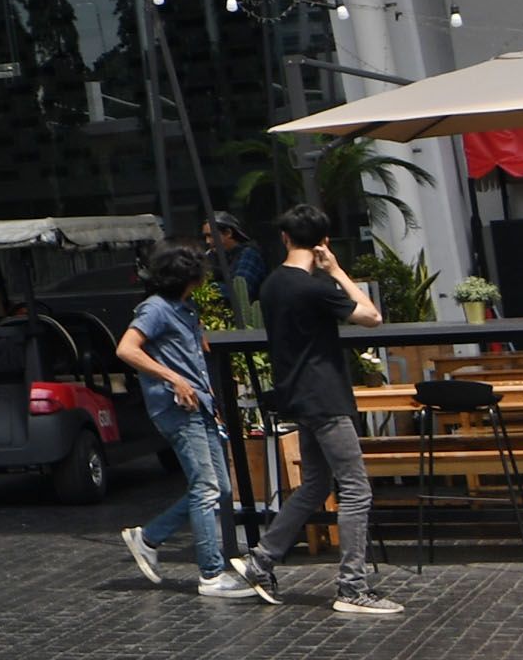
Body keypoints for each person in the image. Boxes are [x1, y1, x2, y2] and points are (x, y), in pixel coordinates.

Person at [236, 205, 399, 616]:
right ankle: (352, 587)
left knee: (314, 485)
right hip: (326, 397)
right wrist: (338, 272)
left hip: (296, 395)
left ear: (285, 238)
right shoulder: (315, 287)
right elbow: (372, 317)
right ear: (322, 243)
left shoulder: (273, 285)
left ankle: (261, 558)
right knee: (356, 489)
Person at [116, 248, 244, 595]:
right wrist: (172, 377)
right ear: (192, 279)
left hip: (198, 405)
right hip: (176, 407)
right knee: (206, 488)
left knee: (221, 488)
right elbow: (126, 349)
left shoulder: (185, 309)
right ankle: (211, 574)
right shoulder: (155, 308)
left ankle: (148, 536)